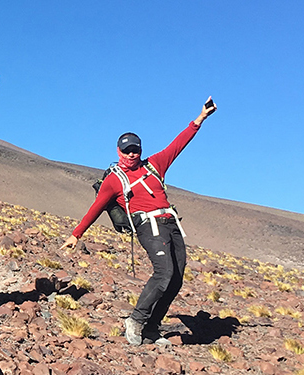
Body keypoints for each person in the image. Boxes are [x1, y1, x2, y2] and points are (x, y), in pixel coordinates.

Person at [61, 98, 218, 346]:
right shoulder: (114, 179)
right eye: (127, 150)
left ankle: (153, 327)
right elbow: (97, 207)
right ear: (118, 151)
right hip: (148, 226)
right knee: (163, 272)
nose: (132, 154)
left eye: (136, 149)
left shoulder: (155, 165)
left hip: (171, 223)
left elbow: (178, 145)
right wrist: (76, 234)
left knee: (176, 278)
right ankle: (135, 320)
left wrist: (200, 118)